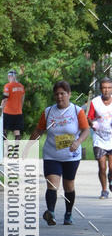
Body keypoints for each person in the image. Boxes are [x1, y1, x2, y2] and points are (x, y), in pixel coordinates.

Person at [30, 80, 90, 226]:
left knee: (69, 186)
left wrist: (78, 142)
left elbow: (86, 130)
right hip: (52, 155)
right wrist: (28, 147)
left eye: (63, 93)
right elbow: (39, 130)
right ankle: (50, 213)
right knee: (52, 184)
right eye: (57, 94)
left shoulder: (77, 111)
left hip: (71, 156)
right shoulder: (48, 111)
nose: (60, 97)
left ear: (69, 94)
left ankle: (68, 214)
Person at [87, 76, 112, 198]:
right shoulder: (95, 102)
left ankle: (110, 177)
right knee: (102, 166)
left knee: (111, 167)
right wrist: (92, 124)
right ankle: (104, 190)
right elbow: (89, 118)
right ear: (100, 89)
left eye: (109, 88)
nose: (106, 90)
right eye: (104, 88)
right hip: (99, 138)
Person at [1, 69, 25, 140]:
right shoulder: (21, 86)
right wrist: (20, 108)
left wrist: (0, 110)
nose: (8, 78)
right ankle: (16, 150)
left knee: (3, 130)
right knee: (17, 132)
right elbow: (22, 99)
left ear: (10, 76)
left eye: (9, 76)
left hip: (7, 112)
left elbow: (5, 99)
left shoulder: (8, 86)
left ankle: (4, 148)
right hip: (18, 113)